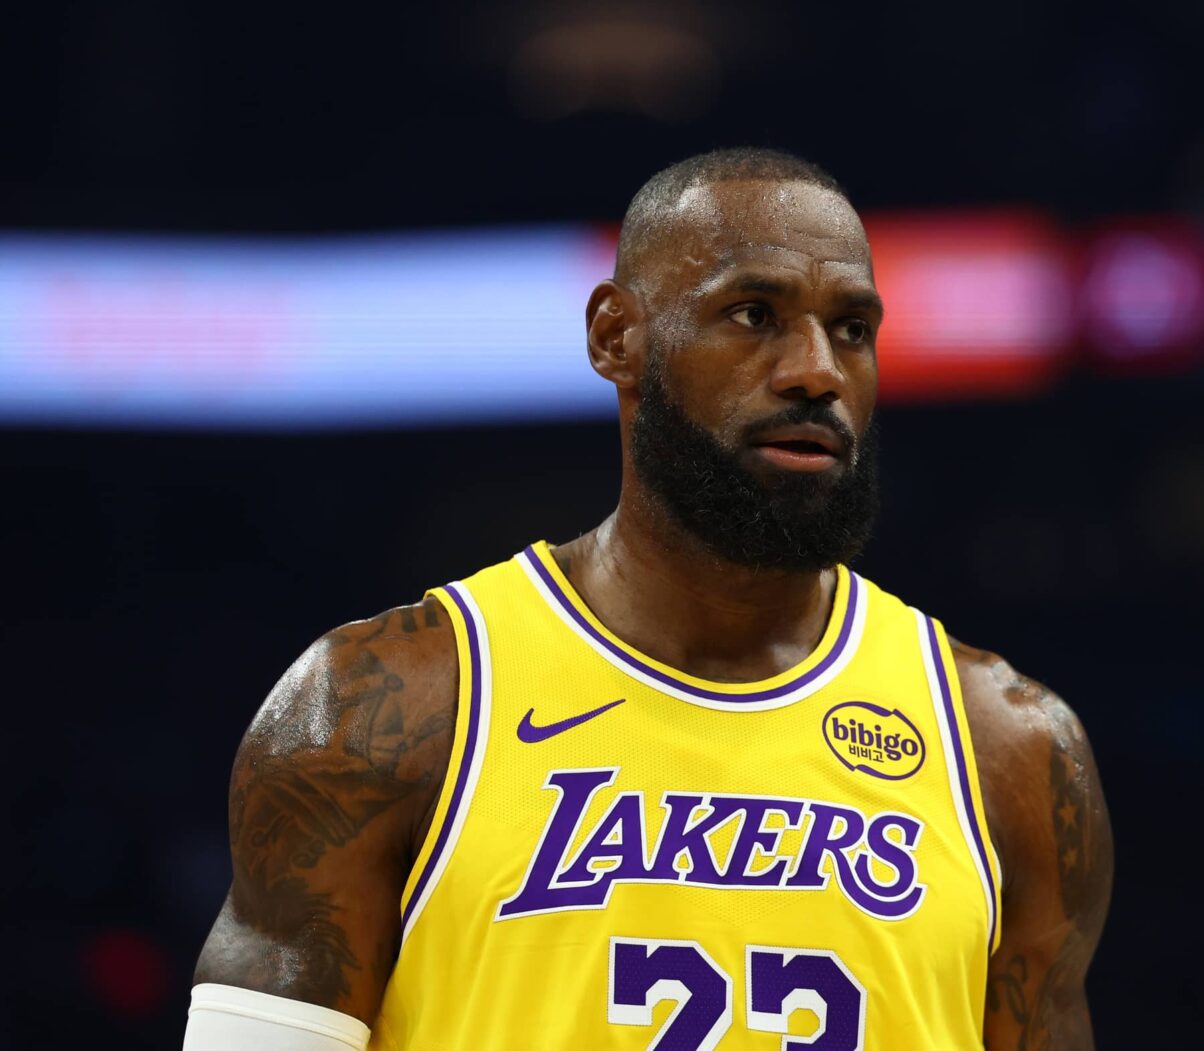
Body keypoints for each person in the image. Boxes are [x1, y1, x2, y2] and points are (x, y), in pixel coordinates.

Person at [184, 147, 1112, 1050]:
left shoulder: (1010, 750)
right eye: (755, 314)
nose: (818, 370)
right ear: (615, 336)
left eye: (853, 329)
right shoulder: (382, 706)